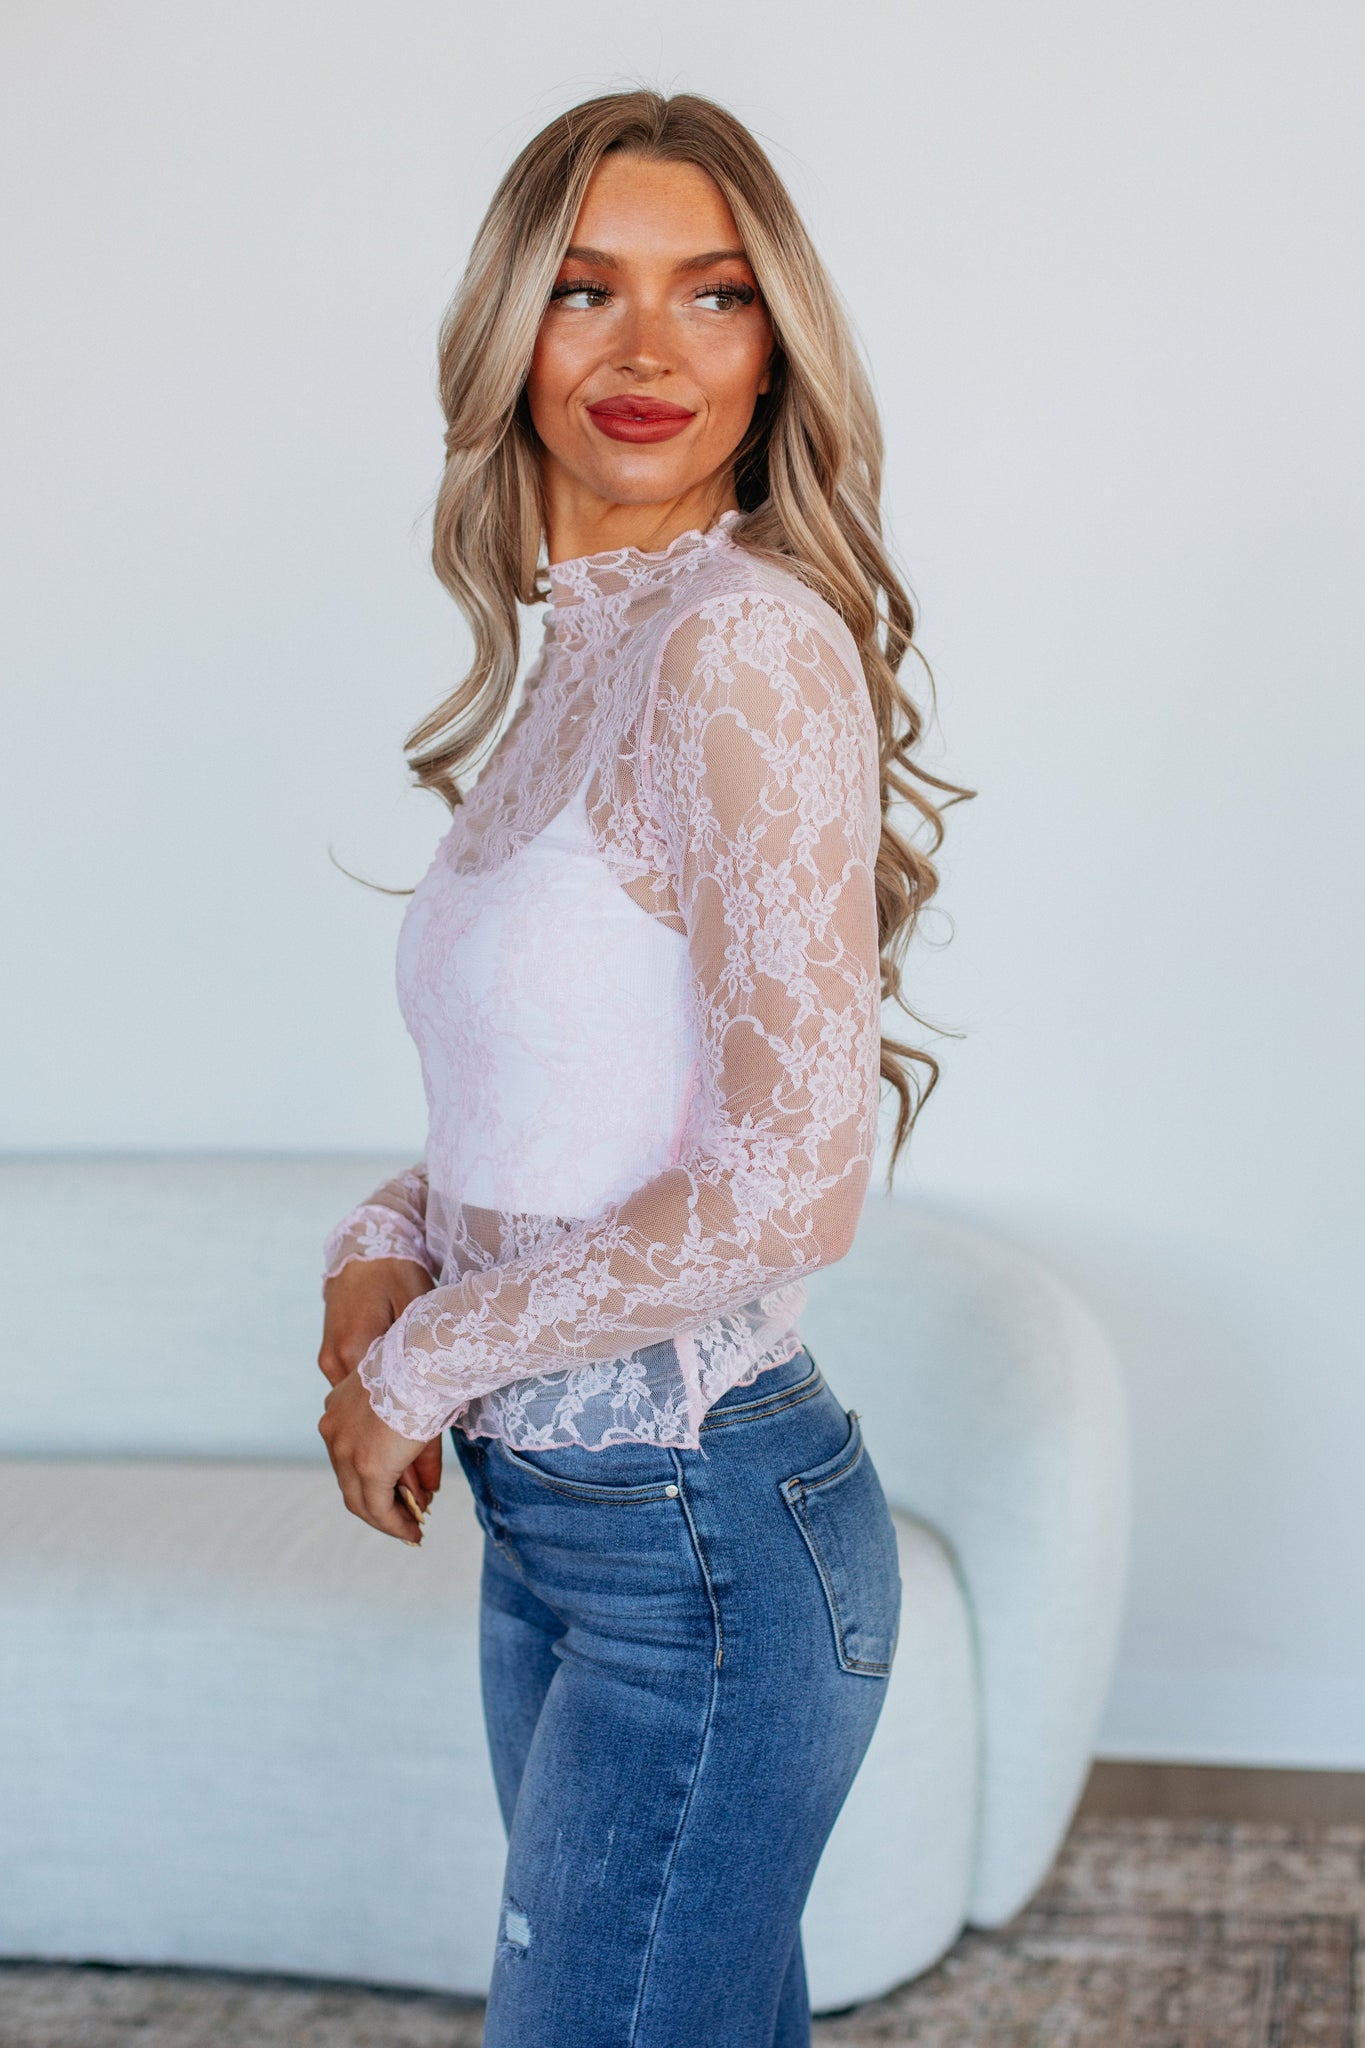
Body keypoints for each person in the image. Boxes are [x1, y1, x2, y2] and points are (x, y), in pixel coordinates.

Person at [316, 89, 968, 2048]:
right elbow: (547, 1109)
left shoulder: (736, 645)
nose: (647, 347)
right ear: (510, 327)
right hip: (566, 1519)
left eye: (714, 292)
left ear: (776, 347)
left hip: (693, 1538)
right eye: (585, 287)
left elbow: (787, 1182)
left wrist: (416, 1365)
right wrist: (379, 1250)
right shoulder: (592, 649)